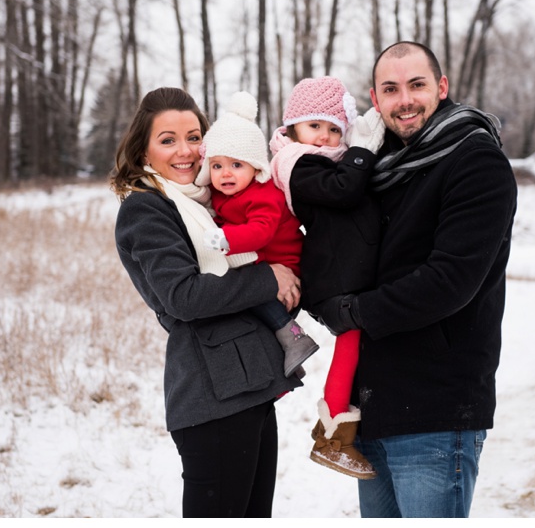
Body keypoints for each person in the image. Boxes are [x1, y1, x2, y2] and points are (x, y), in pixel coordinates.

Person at [315, 41, 518, 517]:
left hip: (437, 407)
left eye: (416, 85)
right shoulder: (378, 166)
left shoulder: (475, 161)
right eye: (391, 89)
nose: (404, 99)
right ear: (376, 98)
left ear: (441, 87)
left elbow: (449, 281)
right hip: (375, 406)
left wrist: (352, 311)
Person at [110, 87, 304, 518]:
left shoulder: (213, 202)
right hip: (210, 396)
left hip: (249, 387)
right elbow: (184, 297)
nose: (186, 151)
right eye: (168, 139)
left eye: (194, 136)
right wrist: (267, 277)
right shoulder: (147, 209)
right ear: (144, 150)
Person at [268, 76, 385, 479]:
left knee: (357, 347)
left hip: (346, 271)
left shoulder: (322, 159)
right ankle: (333, 434)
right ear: (294, 126)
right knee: (350, 345)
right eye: (315, 125)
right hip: (334, 276)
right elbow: (343, 192)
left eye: (334, 128)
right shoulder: (297, 163)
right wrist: (360, 152)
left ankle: (340, 426)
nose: (323, 136)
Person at [194, 90, 319, 378]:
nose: (226, 173)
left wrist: (226, 239)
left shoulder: (264, 194)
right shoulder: (225, 191)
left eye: (236, 165)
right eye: (217, 165)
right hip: (259, 261)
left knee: (257, 297)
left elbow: (261, 232)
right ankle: (283, 358)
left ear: (255, 167)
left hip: (283, 262)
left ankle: (294, 337)